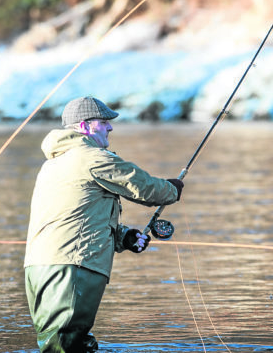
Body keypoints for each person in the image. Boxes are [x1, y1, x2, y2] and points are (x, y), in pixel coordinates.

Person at [24, 96, 184, 353]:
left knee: (68, 344)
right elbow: (142, 187)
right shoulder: (91, 157)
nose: (110, 127)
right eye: (104, 122)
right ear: (84, 126)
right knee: (64, 346)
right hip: (73, 267)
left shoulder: (53, 164)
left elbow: (77, 218)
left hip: (42, 268)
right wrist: (171, 189)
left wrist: (125, 237)